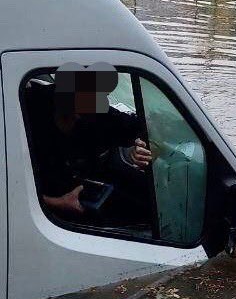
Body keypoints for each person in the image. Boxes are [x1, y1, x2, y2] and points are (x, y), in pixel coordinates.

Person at [25, 64, 155, 223]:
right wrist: (56, 203)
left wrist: (138, 145)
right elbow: (0, 185)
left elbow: (141, 127)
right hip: (40, 208)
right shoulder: (27, 107)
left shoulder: (98, 112)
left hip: (86, 189)